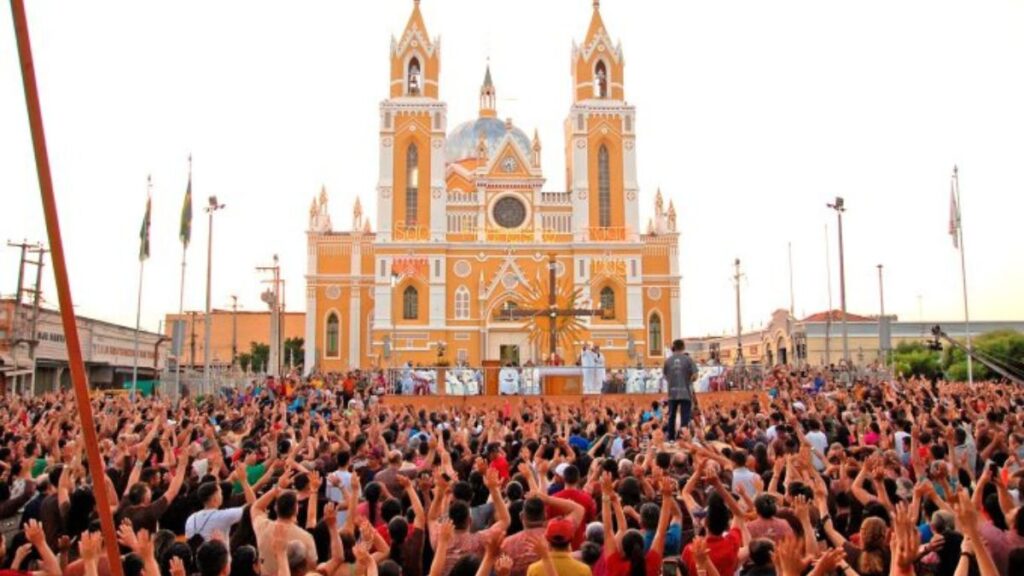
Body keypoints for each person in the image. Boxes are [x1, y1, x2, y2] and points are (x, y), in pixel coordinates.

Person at [662, 338, 697, 440]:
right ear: (683, 347)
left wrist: (673, 379)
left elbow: (665, 376)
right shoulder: (688, 359)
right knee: (684, 417)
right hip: (685, 392)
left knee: (671, 416)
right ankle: (683, 438)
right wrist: (689, 380)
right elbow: (695, 375)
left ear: (674, 347)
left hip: (672, 392)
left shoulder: (668, 361)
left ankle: (671, 439)